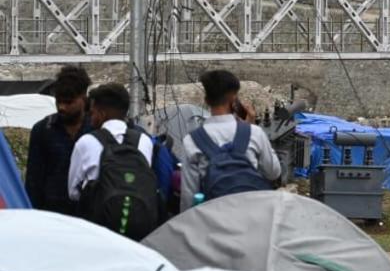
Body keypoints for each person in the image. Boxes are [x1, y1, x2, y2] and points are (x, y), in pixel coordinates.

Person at [180, 70, 283, 211]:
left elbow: (189, 196)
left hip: (214, 220)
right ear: (234, 100)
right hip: (250, 217)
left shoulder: (191, 141)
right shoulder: (254, 133)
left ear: (206, 100)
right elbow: (274, 172)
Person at [67, 83, 158, 239]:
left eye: (93, 112)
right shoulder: (144, 141)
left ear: (101, 114)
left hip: (97, 231)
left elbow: (73, 193)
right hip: (139, 227)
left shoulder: (86, 142)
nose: (91, 117)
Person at [24, 65, 93, 215]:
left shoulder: (97, 131)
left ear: (83, 98)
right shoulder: (43, 130)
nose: (61, 107)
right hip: (52, 215)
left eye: (68, 102)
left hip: (90, 216)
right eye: (58, 101)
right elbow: (33, 182)